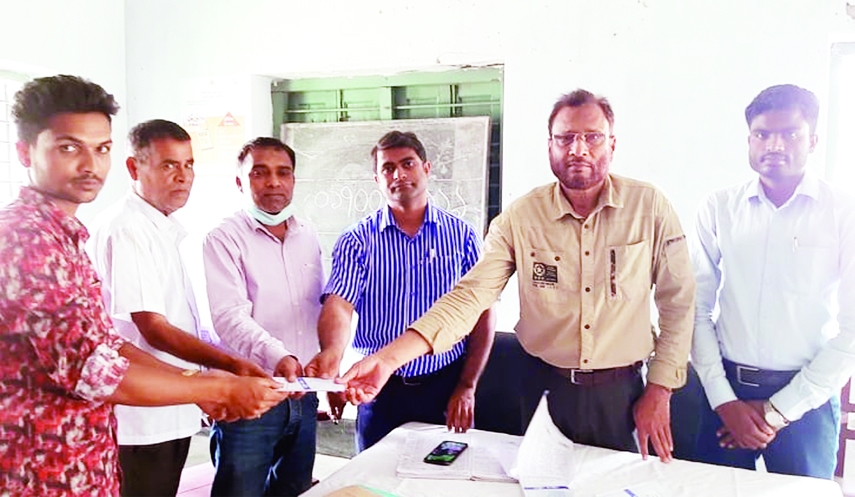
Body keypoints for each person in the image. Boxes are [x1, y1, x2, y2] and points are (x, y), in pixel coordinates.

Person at [338, 91, 695, 462]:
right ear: (549, 146)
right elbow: (469, 298)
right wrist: (388, 359)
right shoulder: (520, 218)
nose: (578, 149)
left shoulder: (649, 206)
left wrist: (660, 389)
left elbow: (678, 303)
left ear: (612, 143)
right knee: (542, 486)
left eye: (592, 137)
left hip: (623, 395)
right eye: (565, 138)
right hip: (544, 391)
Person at [0, 75, 286, 496]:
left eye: (101, 149)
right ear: (25, 152)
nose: (90, 165)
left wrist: (204, 382)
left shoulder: (68, 235)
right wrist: (218, 385)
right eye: (68, 148)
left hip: (89, 461)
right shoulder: (27, 239)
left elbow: (110, 345)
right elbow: (97, 371)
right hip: (46, 475)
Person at [87, 119, 269, 496]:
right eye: (169, 165)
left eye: (188, 165)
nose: (183, 176)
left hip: (169, 408)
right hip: (140, 420)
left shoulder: (162, 228)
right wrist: (226, 367)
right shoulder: (128, 228)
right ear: (134, 168)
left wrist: (210, 379)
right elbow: (154, 328)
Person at [691, 84, 855, 478]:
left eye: (790, 134)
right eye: (762, 134)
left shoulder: (842, 211)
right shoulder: (719, 208)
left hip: (807, 398)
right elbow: (694, 307)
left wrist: (779, 410)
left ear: (813, 141)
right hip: (725, 390)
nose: (774, 145)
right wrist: (723, 400)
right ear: (749, 140)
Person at [305, 131, 496, 451]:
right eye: (388, 168)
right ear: (377, 179)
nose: (399, 174)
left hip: (445, 383)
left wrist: (467, 385)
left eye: (407, 164)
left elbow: (482, 312)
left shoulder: (461, 236)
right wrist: (332, 362)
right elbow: (339, 305)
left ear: (426, 168)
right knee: (376, 480)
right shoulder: (357, 240)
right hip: (378, 390)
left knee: (444, 480)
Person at [202, 137, 324, 496]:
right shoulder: (223, 239)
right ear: (240, 182)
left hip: (303, 393)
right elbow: (228, 317)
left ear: (293, 181)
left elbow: (315, 306)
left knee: (294, 488)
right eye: (260, 173)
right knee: (240, 491)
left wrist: (324, 368)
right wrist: (279, 356)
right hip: (250, 396)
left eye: (282, 173)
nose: (273, 182)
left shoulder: (308, 234)